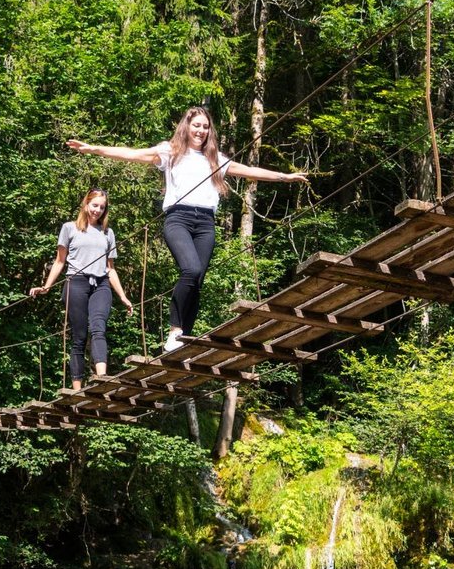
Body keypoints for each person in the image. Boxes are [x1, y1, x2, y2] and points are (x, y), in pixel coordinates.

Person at [67, 106, 305, 353]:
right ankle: (175, 330)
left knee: (197, 280)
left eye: (205, 127)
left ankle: (185, 338)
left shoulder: (216, 160)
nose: (201, 130)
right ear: (186, 127)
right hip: (178, 218)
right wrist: (94, 149)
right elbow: (132, 154)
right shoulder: (170, 152)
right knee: (190, 270)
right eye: (196, 125)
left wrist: (284, 177)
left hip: (205, 223)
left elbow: (250, 171)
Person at [29, 189, 134, 390]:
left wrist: (123, 296)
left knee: (98, 328)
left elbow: (110, 269)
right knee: (79, 335)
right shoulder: (69, 228)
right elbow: (60, 261)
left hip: (101, 284)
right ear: (86, 205)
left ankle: (102, 378)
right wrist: (46, 287)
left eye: (102, 207)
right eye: (95, 205)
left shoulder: (107, 233)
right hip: (75, 283)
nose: (98, 210)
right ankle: (77, 388)